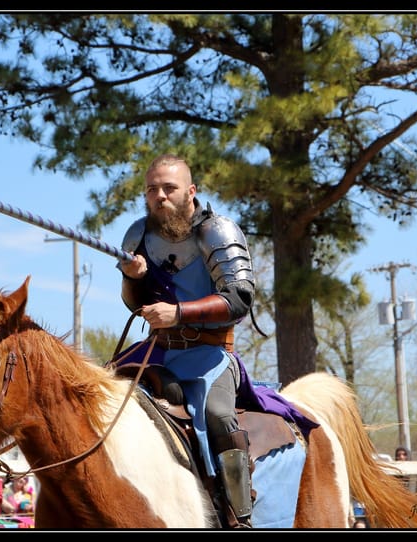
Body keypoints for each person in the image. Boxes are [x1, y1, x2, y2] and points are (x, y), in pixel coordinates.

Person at [113, 153, 317, 528]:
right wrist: (133, 278)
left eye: (169, 188)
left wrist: (179, 313)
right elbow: (134, 303)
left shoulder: (217, 231)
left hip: (210, 356)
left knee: (219, 415)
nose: (160, 196)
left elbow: (239, 298)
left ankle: (239, 512)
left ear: (191, 191)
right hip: (157, 352)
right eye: (152, 189)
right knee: (104, 396)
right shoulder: (137, 235)